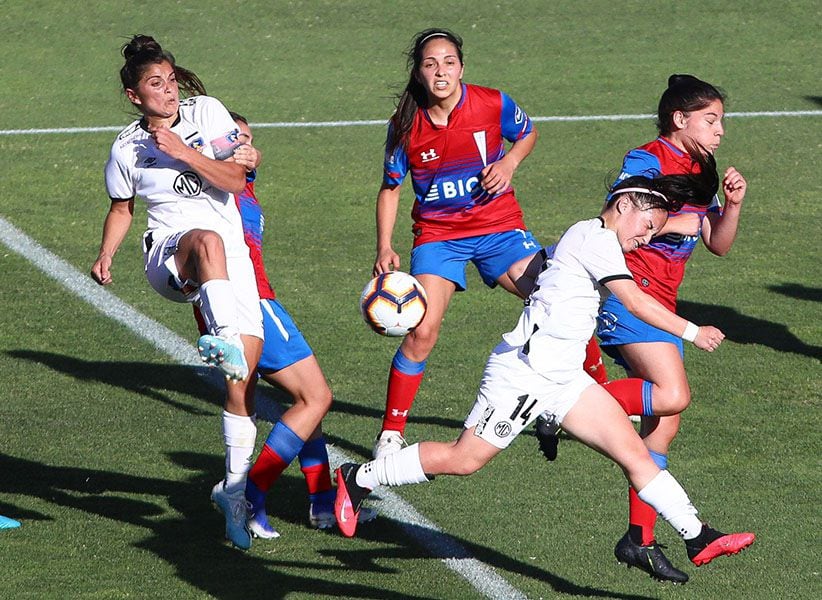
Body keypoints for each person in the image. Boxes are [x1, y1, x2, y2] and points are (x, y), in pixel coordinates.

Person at [336, 173, 755, 577]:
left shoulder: (592, 236)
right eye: (646, 227)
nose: (645, 239)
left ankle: (697, 535)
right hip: (523, 376)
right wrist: (693, 331)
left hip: (566, 381)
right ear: (624, 204)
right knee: (464, 460)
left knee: (635, 456)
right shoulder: (597, 239)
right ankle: (360, 477)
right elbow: (634, 301)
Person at [91, 35, 263, 550]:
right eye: (155, 85)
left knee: (242, 385)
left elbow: (235, 179)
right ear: (134, 97)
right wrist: (105, 255)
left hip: (232, 263)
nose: (167, 92)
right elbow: (122, 207)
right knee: (203, 240)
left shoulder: (208, 113)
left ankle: (232, 492)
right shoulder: (126, 147)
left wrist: (184, 151)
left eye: (170, 80)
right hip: (169, 255)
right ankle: (224, 336)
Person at [591, 74, 748, 582]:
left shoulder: (703, 164)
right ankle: (559, 402)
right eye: (711, 119)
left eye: (721, 120)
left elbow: (717, 242)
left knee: (664, 423)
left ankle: (639, 539)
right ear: (679, 120)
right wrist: (675, 221)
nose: (721, 130)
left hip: (663, 300)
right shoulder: (647, 160)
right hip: (627, 294)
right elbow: (615, 216)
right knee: (672, 394)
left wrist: (734, 206)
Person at [195, 113, 375, 542]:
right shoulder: (212, 189)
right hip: (251, 302)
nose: (246, 146)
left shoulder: (242, 184)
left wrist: (245, 161)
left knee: (298, 400)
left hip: (246, 302)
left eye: (250, 139)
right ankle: (248, 494)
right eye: (235, 138)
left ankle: (318, 502)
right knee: (316, 397)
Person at [371, 28, 547, 458]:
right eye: (431, 64)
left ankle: (580, 393)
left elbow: (528, 133)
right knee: (422, 330)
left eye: (448, 62)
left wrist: (509, 162)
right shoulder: (405, 126)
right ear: (419, 73)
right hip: (440, 236)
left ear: (462, 67)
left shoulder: (492, 103)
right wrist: (384, 246)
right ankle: (391, 433)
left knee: (554, 298)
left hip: (499, 226)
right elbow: (391, 188)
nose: (441, 71)